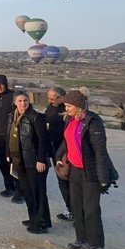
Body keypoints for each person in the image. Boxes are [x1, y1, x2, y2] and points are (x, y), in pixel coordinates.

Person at [56, 90, 119, 249]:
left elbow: (100, 151)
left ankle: (97, 245)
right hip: (75, 170)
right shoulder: (70, 120)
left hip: (90, 171)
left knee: (91, 209)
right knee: (77, 207)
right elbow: (67, 140)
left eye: (69, 106)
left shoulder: (93, 122)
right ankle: (82, 239)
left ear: (78, 106)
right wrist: (58, 155)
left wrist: (103, 178)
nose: (66, 109)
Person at [7, 92, 52, 234]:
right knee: (27, 191)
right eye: (19, 101)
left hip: (33, 161)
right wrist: (9, 154)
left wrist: (41, 159)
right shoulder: (12, 116)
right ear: (15, 102)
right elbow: (10, 136)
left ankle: (40, 223)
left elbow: (43, 140)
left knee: (37, 192)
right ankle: (34, 218)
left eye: (25, 100)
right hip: (20, 160)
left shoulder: (36, 117)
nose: (23, 103)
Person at [0, 74, 21, 202]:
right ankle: (9, 186)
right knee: (2, 161)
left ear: (6, 85)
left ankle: (20, 190)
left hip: (12, 136)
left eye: (1, 84)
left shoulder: (13, 96)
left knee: (15, 161)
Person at [45, 87, 72, 221]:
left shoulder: (67, 110)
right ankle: (71, 208)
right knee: (62, 182)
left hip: (66, 152)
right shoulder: (50, 108)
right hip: (55, 150)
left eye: (52, 98)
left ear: (61, 97)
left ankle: (75, 211)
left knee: (67, 182)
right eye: (49, 98)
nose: (50, 101)